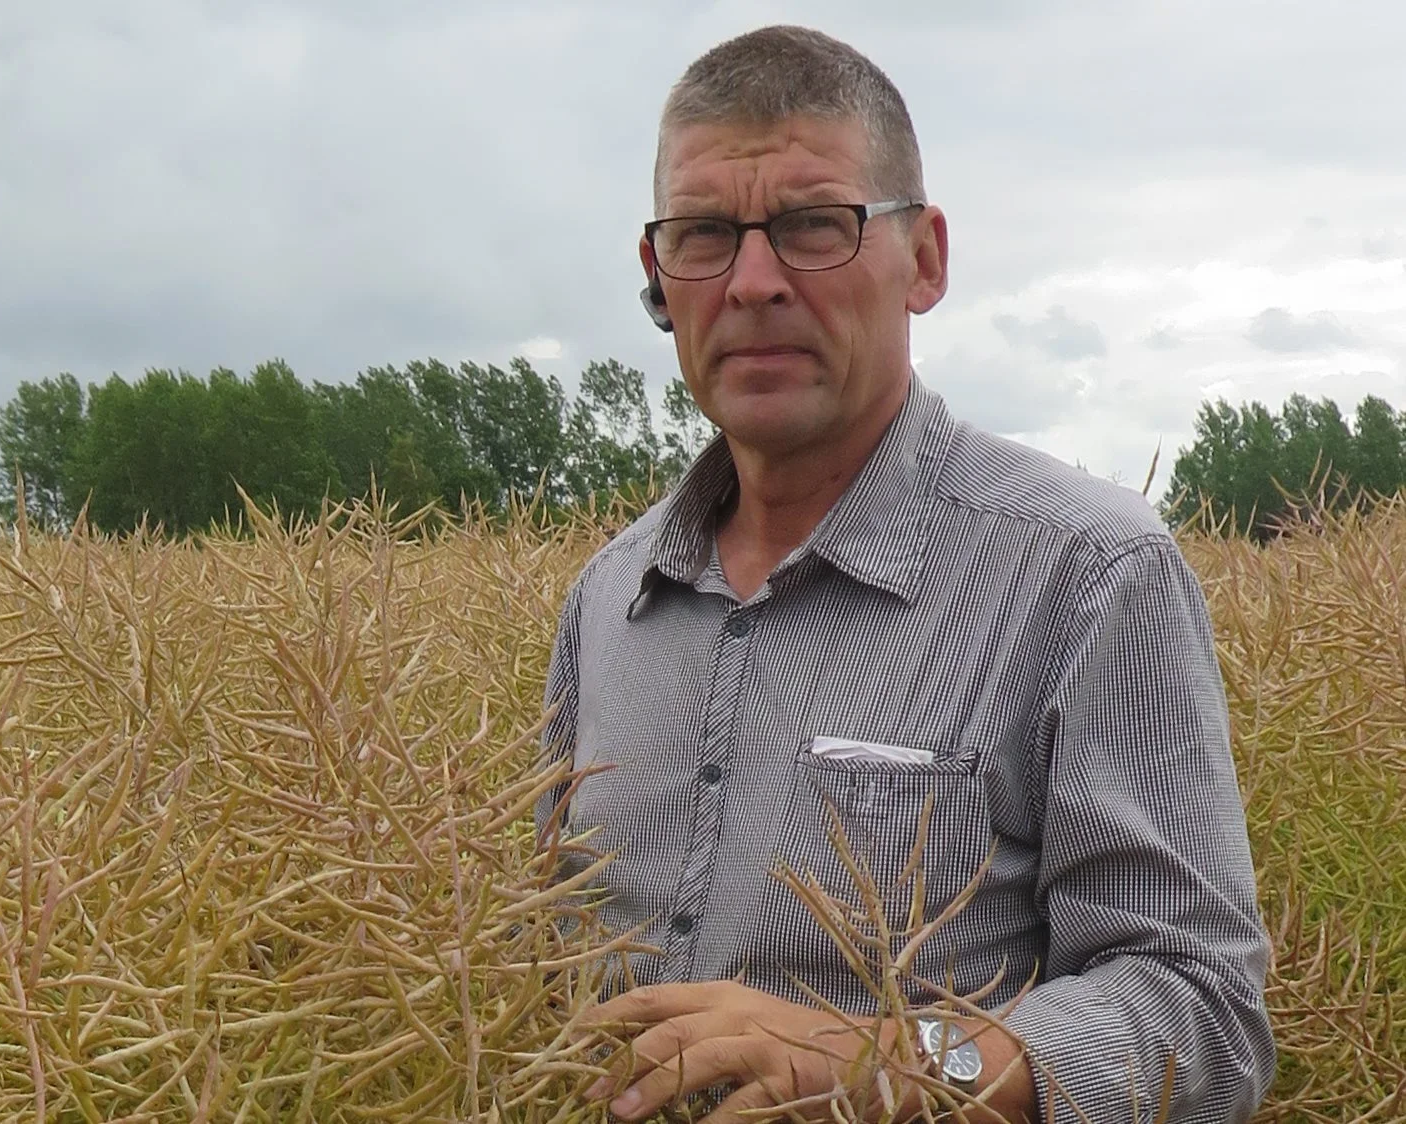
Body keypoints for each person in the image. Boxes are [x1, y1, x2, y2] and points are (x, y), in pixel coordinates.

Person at [532, 25, 1274, 1124]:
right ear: (657, 275)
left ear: (923, 258)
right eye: (701, 236)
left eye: (811, 227)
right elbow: (540, 965)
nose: (750, 283)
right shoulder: (608, 600)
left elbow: (1201, 1013)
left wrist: (892, 1061)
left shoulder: (1087, 571)